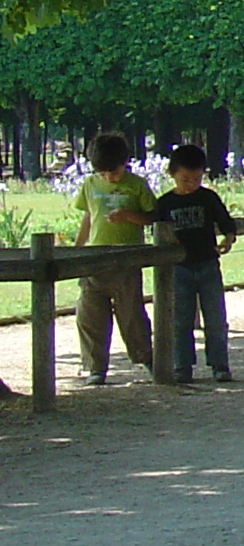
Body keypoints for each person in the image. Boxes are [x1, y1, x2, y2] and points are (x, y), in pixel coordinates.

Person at [72, 132, 156, 387]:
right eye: (103, 173)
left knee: (130, 314)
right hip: (95, 258)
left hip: (126, 259)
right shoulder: (90, 185)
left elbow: (153, 217)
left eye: (114, 172)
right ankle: (95, 367)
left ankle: (146, 358)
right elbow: (88, 217)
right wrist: (77, 250)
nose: (109, 177)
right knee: (89, 314)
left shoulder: (137, 185)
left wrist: (129, 216)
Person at [157, 144, 239, 383]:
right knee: (180, 319)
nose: (191, 184)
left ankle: (219, 364)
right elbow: (156, 229)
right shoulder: (165, 203)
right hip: (178, 267)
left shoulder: (207, 198)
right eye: (185, 179)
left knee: (215, 318)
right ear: (172, 174)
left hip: (207, 263)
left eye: (196, 178)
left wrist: (228, 239)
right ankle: (182, 365)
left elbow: (226, 222)